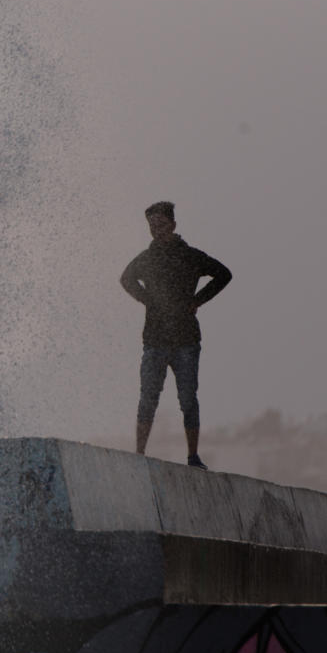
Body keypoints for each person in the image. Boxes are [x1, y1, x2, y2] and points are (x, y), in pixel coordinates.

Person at [120, 201, 231, 468]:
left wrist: (198, 300)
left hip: (186, 340)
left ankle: (193, 456)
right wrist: (146, 299)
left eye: (160, 224)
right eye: (152, 226)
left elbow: (223, 274)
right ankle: (139, 454)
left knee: (188, 398)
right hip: (155, 339)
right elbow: (126, 279)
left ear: (173, 225)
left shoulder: (190, 256)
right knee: (148, 396)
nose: (156, 230)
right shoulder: (147, 258)